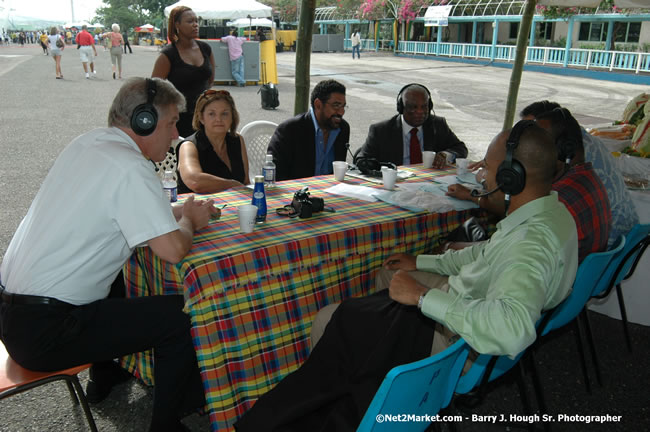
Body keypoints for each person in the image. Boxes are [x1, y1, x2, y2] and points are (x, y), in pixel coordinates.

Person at [234, 122, 578, 431]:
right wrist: (421, 261)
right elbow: (483, 255)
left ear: (510, 177)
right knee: (389, 278)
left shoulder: (529, 247)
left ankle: (347, 402)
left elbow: (511, 329)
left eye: (487, 168)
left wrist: (422, 298)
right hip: (468, 302)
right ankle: (368, 369)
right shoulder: (549, 213)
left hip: (462, 342)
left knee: (333, 321)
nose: (481, 177)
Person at [0, 77, 220, 432]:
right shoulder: (131, 168)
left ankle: (106, 375)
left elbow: (121, 212)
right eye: (170, 123)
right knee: (179, 318)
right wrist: (191, 221)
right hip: (45, 332)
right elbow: (174, 250)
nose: (176, 134)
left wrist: (177, 216)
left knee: (118, 274)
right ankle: (165, 426)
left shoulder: (87, 145)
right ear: (143, 122)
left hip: (13, 314)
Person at [520, 100, 638, 247]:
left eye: (535, 134)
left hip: (610, 239)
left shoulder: (569, 182)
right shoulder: (583, 149)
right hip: (614, 242)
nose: (527, 139)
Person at [355, 83, 468, 168]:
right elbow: (361, 159)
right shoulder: (381, 130)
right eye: (412, 107)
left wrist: (445, 155)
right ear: (401, 107)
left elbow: (461, 149)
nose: (419, 112)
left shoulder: (437, 125)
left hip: (429, 184)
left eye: (424, 107)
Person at [152, 5, 215, 138]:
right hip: (180, 120)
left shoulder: (205, 49)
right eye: (190, 21)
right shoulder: (168, 55)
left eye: (196, 21)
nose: (195, 25)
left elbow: (210, 81)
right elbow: (154, 89)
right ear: (177, 25)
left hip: (206, 116)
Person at [267, 79, 350, 181]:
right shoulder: (289, 130)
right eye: (336, 105)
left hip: (331, 192)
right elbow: (276, 175)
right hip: (298, 193)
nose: (341, 112)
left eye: (343, 106)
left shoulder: (343, 129)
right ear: (318, 105)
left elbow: (339, 169)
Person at [178, 89, 250, 194]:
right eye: (212, 114)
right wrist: (232, 184)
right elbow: (194, 180)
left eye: (224, 114)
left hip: (233, 204)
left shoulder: (237, 140)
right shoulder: (189, 145)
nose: (218, 119)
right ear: (201, 118)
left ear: (232, 117)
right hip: (196, 206)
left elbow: (246, 182)